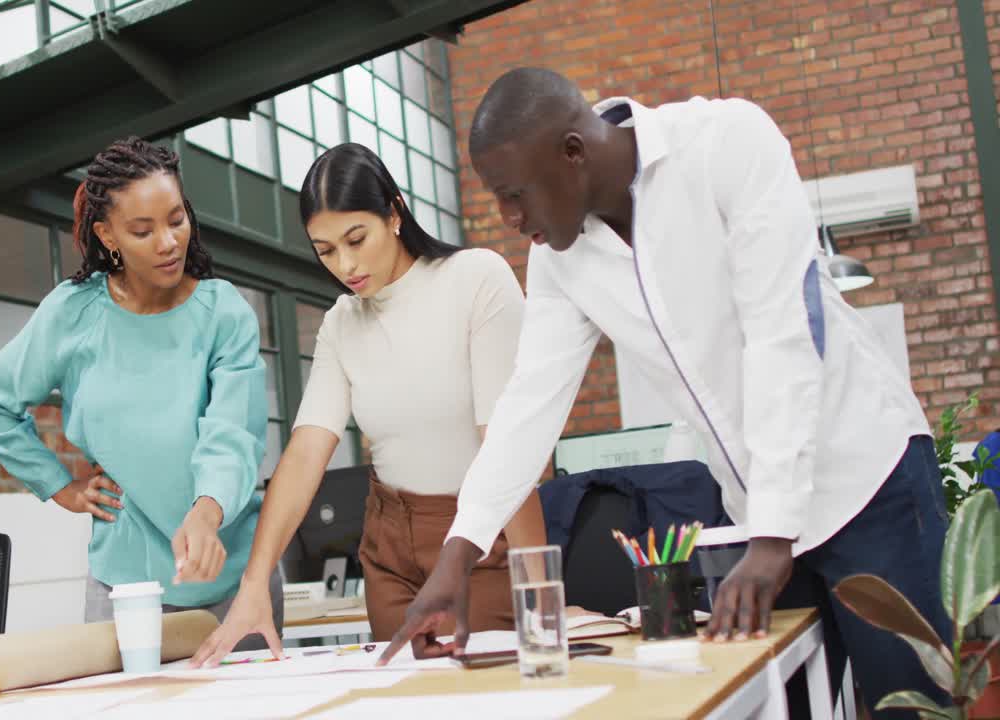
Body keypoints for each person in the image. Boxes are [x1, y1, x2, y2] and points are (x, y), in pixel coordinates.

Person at [378, 68, 949, 717]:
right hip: (760, 518)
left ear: (574, 152)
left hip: (867, 484)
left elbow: (783, 338)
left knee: (913, 708)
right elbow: (528, 405)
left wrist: (770, 535)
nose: (509, 219)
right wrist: (461, 550)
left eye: (516, 195)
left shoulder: (726, 144)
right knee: (778, 705)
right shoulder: (560, 260)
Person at [187, 143, 550, 666]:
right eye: (326, 250)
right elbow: (307, 452)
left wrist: (539, 591)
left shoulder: (476, 279)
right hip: (390, 553)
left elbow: (508, 447)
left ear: (395, 213)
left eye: (357, 239)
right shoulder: (341, 323)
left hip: (479, 544)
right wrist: (253, 584)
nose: (346, 265)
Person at [0, 137, 282, 646]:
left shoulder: (224, 314)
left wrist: (207, 513)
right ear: (107, 234)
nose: (168, 242)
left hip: (233, 580)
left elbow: (232, 435)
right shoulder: (73, 313)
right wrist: (61, 486)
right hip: (127, 586)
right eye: (143, 230)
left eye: (177, 219)